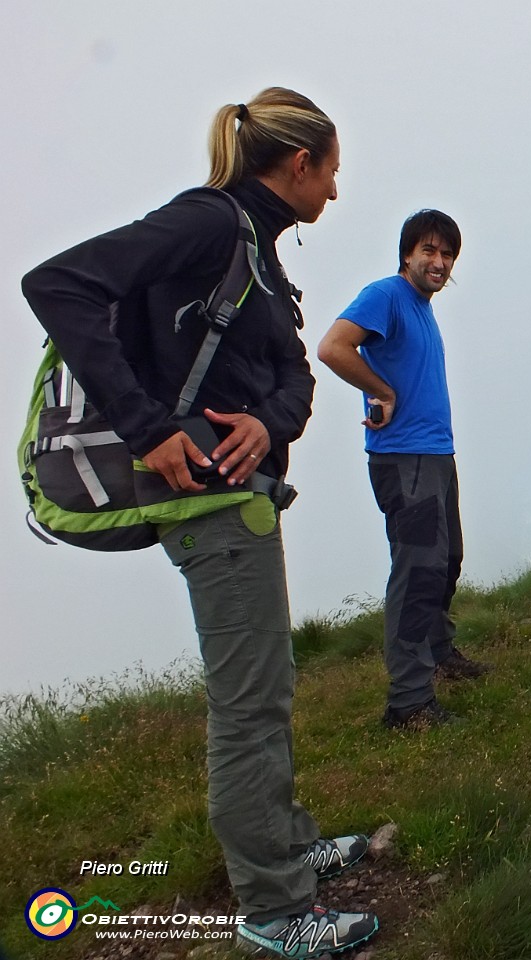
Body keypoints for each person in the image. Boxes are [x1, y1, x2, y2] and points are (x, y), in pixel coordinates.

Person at [21, 88, 378, 959]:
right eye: (331, 172)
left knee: (269, 681)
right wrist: (149, 428)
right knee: (249, 701)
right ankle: (274, 908)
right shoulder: (209, 226)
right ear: (298, 165)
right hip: (209, 504)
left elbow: (293, 372)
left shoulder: (255, 250)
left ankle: (288, 843)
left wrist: (271, 423)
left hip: (241, 494)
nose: (334, 192)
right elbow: (56, 284)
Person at [318, 209, 491, 732]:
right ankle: (409, 704)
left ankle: (438, 655)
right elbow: (332, 348)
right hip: (404, 458)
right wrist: (381, 390)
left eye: (447, 254)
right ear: (407, 254)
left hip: (436, 455)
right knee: (417, 573)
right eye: (429, 251)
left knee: (446, 562)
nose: (439, 262)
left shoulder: (421, 306)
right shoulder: (387, 295)